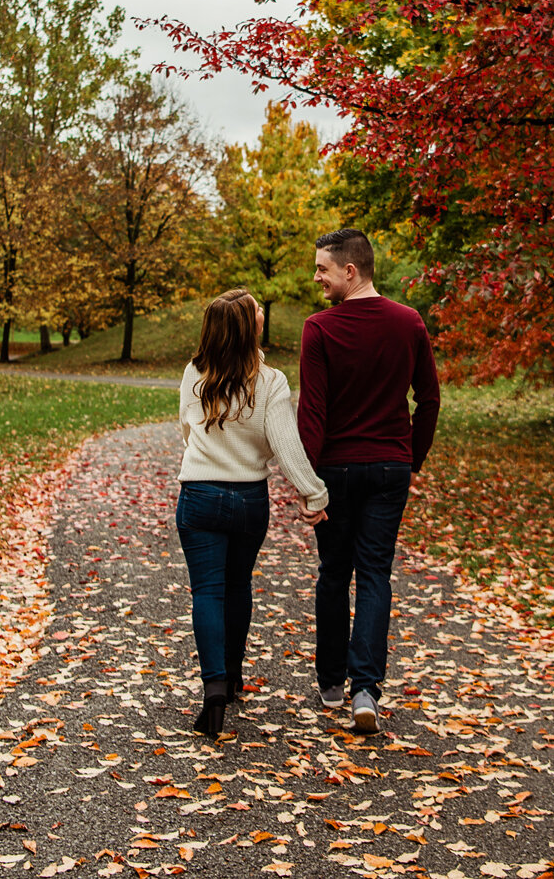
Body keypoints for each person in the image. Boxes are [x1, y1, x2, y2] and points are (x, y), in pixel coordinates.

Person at [298, 228, 440, 734]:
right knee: (375, 573)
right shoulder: (409, 323)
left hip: (335, 469)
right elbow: (429, 399)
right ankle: (365, 689)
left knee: (335, 572)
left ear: (350, 271)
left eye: (322, 268)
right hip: (388, 469)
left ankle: (332, 682)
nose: (316, 277)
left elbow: (311, 413)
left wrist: (307, 483)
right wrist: (411, 457)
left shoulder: (319, 330)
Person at [176, 287, 328, 738]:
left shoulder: (194, 372)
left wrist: (210, 451)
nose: (262, 313)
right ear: (250, 326)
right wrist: (313, 494)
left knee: (207, 591)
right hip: (248, 501)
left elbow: (187, 428)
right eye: (257, 310)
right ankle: (234, 674)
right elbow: (285, 445)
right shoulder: (271, 381)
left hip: (200, 494)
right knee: (238, 585)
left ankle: (215, 687)